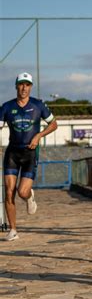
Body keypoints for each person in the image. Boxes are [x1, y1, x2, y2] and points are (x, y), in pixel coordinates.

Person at [0, 72, 58, 241]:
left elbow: (54, 124)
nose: (24, 88)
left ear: (31, 87)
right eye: (21, 84)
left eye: (27, 85)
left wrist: (39, 136)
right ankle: (13, 230)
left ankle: (28, 196)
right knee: (9, 192)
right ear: (16, 86)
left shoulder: (38, 105)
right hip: (12, 152)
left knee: (21, 192)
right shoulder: (6, 106)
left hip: (30, 153)